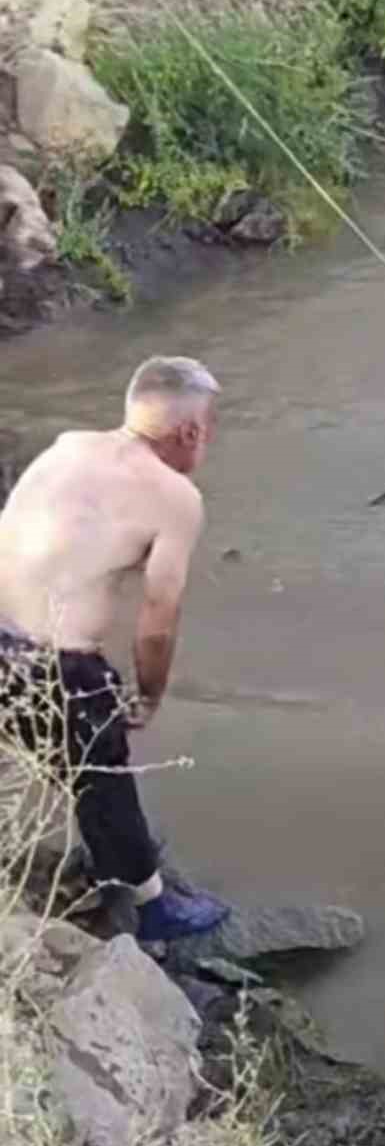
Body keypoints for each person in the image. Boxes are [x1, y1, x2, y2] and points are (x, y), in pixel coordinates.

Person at [0, 356, 230, 943]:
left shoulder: (68, 446)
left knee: (65, 758)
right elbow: (157, 620)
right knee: (104, 771)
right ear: (191, 432)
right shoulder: (175, 497)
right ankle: (153, 909)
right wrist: (148, 695)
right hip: (52, 664)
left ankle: (92, 862)